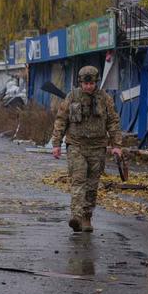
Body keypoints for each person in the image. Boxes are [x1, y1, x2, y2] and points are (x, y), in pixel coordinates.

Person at [51, 65, 123, 233]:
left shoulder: (104, 98)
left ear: (96, 82)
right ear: (80, 82)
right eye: (86, 84)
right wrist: (56, 144)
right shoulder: (72, 96)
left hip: (97, 147)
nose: (89, 87)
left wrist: (116, 145)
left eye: (92, 84)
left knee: (92, 184)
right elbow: (61, 120)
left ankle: (86, 217)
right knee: (78, 180)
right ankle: (76, 216)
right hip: (76, 145)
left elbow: (113, 122)